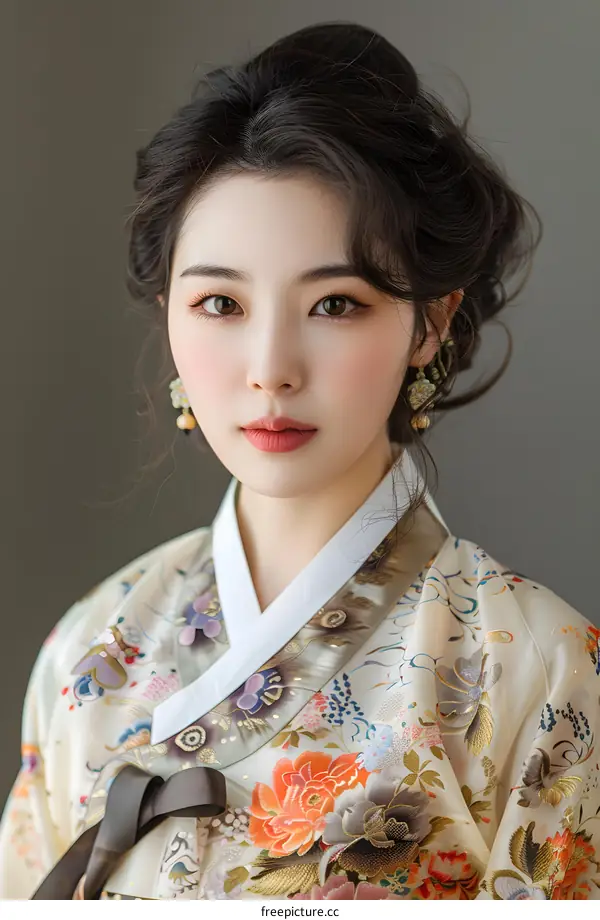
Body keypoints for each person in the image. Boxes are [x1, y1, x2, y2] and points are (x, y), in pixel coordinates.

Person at [1, 21, 598, 902]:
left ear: (429, 322)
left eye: (333, 303)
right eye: (218, 302)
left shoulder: (539, 671)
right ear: (168, 313)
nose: (270, 367)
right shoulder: (93, 651)